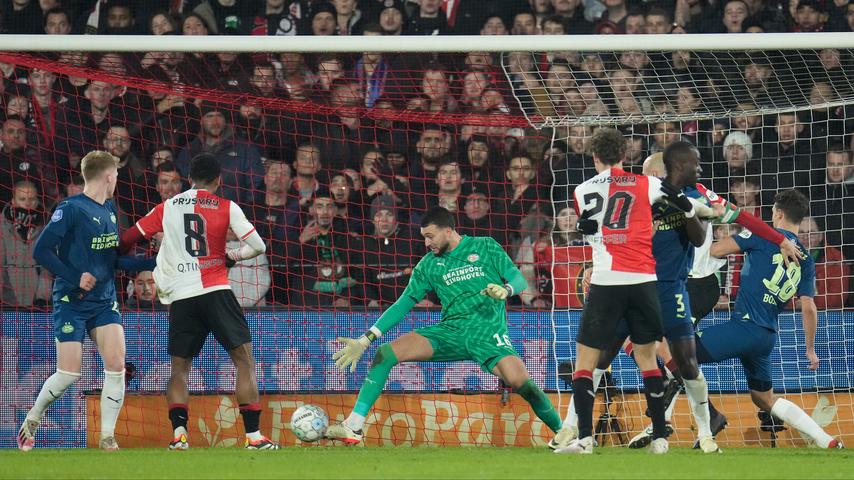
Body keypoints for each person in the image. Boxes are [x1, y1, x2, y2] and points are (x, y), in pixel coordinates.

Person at [325, 206, 563, 444]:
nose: (427, 243)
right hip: (451, 332)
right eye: (424, 238)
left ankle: (564, 434)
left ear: (448, 231)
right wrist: (365, 339)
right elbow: (401, 305)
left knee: (521, 383)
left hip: (488, 333)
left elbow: (518, 279)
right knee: (385, 353)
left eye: (430, 236)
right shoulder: (428, 265)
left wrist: (506, 289)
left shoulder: (485, 246)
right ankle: (353, 426)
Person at [119, 153, 278, 450]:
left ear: (188, 178)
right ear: (218, 180)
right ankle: (254, 438)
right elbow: (258, 246)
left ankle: (179, 435)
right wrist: (232, 255)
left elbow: (130, 236)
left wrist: (118, 258)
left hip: (181, 298)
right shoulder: (227, 206)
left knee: (179, 370)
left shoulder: (166, 207)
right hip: (216, 290)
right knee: (244, 362)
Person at [553, 128, 694, 455]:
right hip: (644, 282)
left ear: (594, 157)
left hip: (606, 282)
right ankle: (660, 439)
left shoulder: (582, 189)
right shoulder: (649, 183)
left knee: (585, 364)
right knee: (647, 359)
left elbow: (591, 229)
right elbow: (683, 204)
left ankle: (585, 440)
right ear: (625, 156)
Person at [18, 151, 154, 451]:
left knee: (117, 365)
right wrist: (75, 275)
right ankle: (33, 417)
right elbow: (41, 251)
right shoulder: (70, 208)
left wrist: (155, 263)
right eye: (116, 175)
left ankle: (107, 437)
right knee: (69, 373)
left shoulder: (110, 209)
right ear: (108, 176)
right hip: (71, 300)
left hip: (104, 301)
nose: (117, 179)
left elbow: (114, 260)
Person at [698, 189, 843, 449]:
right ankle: (826, 440)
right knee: (764, 398)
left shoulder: (762, 236)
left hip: (743, 327)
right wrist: (810, 349)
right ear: (800, 219)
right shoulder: (806, 259)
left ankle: (688, 423)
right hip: (766, 337)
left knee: (679, 353)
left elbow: (716, 251)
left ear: (777, 213)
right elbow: (809, 307)